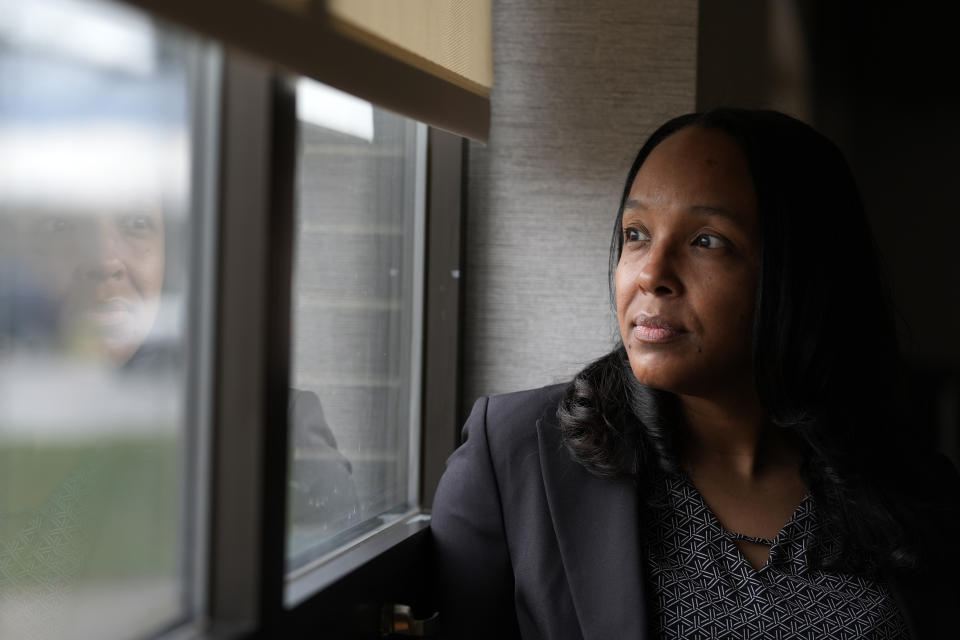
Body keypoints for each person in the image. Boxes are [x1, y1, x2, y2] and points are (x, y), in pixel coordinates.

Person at [431, 108, 960, 639]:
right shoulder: (516, 455)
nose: (651, 274)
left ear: (801, 275)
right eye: (636, 233)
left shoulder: (913, 490)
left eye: (707, 240)